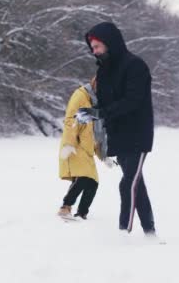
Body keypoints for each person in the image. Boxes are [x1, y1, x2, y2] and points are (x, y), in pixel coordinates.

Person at [75, 21, 156, 235]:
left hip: (137, 133)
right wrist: (91, 112)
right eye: (92, 48)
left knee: (128, 184)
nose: (95, 51)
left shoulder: (135, 66)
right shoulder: (103, 72)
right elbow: (104, 104)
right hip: (117, 135)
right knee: (136, 185)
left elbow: (133, 101)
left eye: (98, 46)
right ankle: (150, 232)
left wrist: (102, 113)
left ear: (111, 43)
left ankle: (124, 233)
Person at [57, 77, 107, 220]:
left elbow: (98, 131)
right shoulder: (80, 95)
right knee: (84, 177)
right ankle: (65, 208)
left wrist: (103, 155)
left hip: (87, 148)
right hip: (75, 144)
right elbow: (70, 121)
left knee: (93, 183)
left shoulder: (97, 102)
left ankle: (82, 213)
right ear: (95, 83)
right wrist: (68, 144)